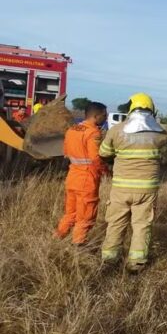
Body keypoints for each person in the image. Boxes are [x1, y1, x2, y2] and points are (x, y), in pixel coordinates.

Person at [99, 93, 167, 272]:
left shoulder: (116, 130)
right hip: (146, 189)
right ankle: (136, 263)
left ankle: (110, 260)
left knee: (116, 223)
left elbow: (103, 154)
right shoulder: (159, 129)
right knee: (142, 225)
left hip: (120, 188)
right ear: (151, 109)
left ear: (131, 108)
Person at [55, 101, 108, 245]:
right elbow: (95, 158)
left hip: (72, 177)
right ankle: (78, 246)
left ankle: (57, 239)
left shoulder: (72, 130)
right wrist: (106, 170)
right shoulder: (93, 132)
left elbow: (66, 153)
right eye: (104, 115)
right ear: (96, 116)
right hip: (87, 179)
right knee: (85, 217)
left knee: (70, 214)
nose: (106, 118)